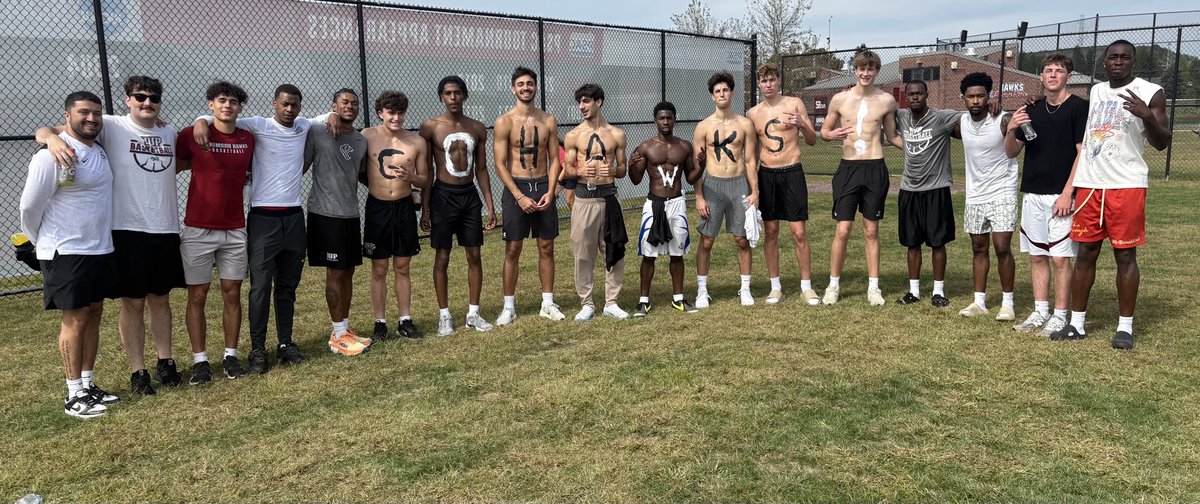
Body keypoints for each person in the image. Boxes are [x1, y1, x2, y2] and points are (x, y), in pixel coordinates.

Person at [37, 75, 186, 394]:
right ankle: (138, 371)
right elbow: (48, 130)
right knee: (132, 303)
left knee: (161, 299)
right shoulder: (110, 125)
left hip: (165, 227)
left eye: (153, 97)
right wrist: (52, 139)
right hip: (127, 229)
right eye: (140, 96)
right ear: (127, 99)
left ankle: (166, 362)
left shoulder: (168, 131)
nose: (147, 102)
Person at [192, 84, 333, 374]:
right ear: (274, 104)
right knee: (259, 288)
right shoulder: (257, 125)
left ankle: (285, 344)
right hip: (263, 219)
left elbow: (326, 116)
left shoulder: (303, 126)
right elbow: (221, 121)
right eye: (284, 104)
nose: (289, 109)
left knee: (287, 286)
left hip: (294, 218)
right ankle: (257, 349)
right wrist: (199, 121)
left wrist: (332, 113)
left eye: (294, 104)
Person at [1049, 40, 1171, 350]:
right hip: (1091, 184)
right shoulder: (1097, 91)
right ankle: (1076, 324)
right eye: (1113, 57)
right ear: (1104, 62)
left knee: (1125, 256)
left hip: (1126, 185)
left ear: (1133, 61)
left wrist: (1146, 115)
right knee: (1086, 254)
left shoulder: (1150, 91)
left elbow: (1162, 142)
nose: (1118, 61)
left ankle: (1125, 327)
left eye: (1124, 57)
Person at [22, 91, 119, 417]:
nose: (91, 118)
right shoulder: (50, 155)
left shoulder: (98, 150)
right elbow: (29, 207)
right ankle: (73, 393)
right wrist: (43, 244)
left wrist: (48, 133)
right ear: (67, 116)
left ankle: (89, 384)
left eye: (96, 113)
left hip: (99, 248)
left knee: (93, 314)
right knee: (74, 319)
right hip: (66, 250)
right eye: (83, 113)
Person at [176, 81, 255, 383]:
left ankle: (230, 356)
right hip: (197, 229)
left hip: (235, 229)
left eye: (233, 101)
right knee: (198, 294)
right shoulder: (193, 134)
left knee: (232, 293)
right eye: (221, 100)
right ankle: (200, 361)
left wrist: (202, 120)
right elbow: (175, 161)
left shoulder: (248, 138)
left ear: (240, 107)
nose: (227, 106)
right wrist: (200, 122)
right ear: (210, 104)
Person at [1005, 54, 1088, 337]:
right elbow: (1011, 151)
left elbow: (1083, 153)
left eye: (1059, 71)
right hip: (1033, 193)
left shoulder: (1078, 108)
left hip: (1061, 196)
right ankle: (1041, 311)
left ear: (1068, 76)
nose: (1053, 75)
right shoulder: (1032, 109)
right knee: (1037, 255)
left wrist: (1068, 193)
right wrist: (1012, 128)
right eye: (1048, 71)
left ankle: (1060, 315)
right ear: (1040, 77)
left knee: (1060, 258)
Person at [818, 50, 900, 306]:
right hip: (848, 169)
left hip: (875, 168)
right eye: (861, 69)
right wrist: (830, 136)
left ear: (876, 71)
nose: (865, 73)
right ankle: (833, 285)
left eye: (870, 69)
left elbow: (893, 136)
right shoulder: (840, 99)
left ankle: (873, 288)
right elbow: (824, 131)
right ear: (855, 70)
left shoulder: (886, 100)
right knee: (842, 230)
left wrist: (918, 148)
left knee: (871, 230)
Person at [418, 76, 497, 336]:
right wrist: (426, 208)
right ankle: (444, 316)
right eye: (448, 93)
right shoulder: (430, 127)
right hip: (443, 195)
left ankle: (473, 313)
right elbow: (427, 171)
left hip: (469, 197)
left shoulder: (477, 128)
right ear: (441, 96)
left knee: (474, 255)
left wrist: (490, 205)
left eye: (457, 93)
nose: (453, 98)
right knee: (443, 256)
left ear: (464, 95)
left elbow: (482, 169)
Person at [493, 66, 563, 325]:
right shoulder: (504, 122)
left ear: (535, 87)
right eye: (521, 84)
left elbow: (556, 159)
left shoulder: (548, 120)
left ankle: (547, 302)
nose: (526, 88)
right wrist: (518, 196)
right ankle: (508, 306)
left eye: (530, 84)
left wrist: (552, 190)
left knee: (546, 245)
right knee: (513, 247)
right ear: (514, 88)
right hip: (517, 186)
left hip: (543, 184)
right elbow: (499, 163)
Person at [305, 88, 371, 355]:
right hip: (325, 214)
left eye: (354, 103)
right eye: (344, 102)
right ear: (333, 106)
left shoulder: (360, 140)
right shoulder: (318, 132)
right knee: (334, 273)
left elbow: (363, 176)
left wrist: (400, 183)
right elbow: (300, 165)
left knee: (348, 272)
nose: (350, 106)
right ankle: (337, 336)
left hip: (350, 214)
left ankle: (343, 328)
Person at [746, 63, 819, 305]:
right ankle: (774, 286)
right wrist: (754, 188)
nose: (768, 84)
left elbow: (811, 141)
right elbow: (752, 155)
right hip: (768, 174)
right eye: (764, 80)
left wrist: (801, 123)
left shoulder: (794, 103)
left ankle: (806, 286)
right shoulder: (753, 114)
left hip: (792, 172)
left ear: (779, 81)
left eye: (772, 79)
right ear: (758, 84)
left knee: (799, 232)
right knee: (771, 232)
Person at [363, 91, 428, 340]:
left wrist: (411, 177)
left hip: (403, 206)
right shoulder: (367, 136)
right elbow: (359, 169)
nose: (396, 117)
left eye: (400, 112)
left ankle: (405, 319)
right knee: (378, 268)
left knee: (402, 266)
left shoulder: (416, 141)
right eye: (391, 112)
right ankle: (380, 322)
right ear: (381, 113)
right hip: (377, 207)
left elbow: (424, 179)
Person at [561, 84, 629, 321]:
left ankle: (611, 301)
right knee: (583, 253)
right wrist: (579, 169)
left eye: (586, 101)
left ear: (598, 102)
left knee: (614, 248)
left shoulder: (617, 134)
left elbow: (623, 169)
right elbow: (567, 169)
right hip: (584, 199)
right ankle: (587, 303)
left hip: (609, 197)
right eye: (579, 101)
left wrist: (613, 168)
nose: (582, 106)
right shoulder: (573, 136)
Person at [692, 71, 759, 308]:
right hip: (712, 185)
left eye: (725, 90)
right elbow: (697, 166)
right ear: (712, 96)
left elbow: (750, 161)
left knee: (742, 239)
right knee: (707, 240)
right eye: (717, 91)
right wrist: (699, 196)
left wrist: (755, 191)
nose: (722, 94)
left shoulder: (745, 124)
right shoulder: (703, 127)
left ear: (732, 93)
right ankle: (702, 291)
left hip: (739, 184)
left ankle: (745, 289)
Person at [955, 72, 1018, 322]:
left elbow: (1025, 121)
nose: (976, 100)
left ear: (989, 97)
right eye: (971, 96)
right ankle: (979, 301)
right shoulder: (960, 122)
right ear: (963, 99)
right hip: (975, 195)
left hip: (1002, 192)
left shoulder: (1003, 119)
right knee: (978, 247)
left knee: (1002, 247)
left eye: (981, 95)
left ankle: (1008, 303)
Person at [629, 101, 702, 315]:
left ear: (674, 119)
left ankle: (678, 298)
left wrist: (702, 166)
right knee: (648, 254)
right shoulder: (645, 147)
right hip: (654, 204)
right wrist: (631, 164)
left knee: (677, 253)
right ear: (655, 120)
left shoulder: (684, 146)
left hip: (676, 203)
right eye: (661, 118)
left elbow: (690, 178)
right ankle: (644, 301)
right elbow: (635, 180)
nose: (665, 122)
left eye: (669, 117)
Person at [894, 80, 961, 308]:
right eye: (910, 94)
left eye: (919, 93)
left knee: (937, 242)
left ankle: (938, 291)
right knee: (912, 243)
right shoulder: (901, 116)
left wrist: (992, 108)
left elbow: (971, 117)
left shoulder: (942, 118)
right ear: (905, 96)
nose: (915, 97)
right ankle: (913, 291)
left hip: (936, 188)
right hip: (909, 189)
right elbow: (878, 109)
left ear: (926, 94)